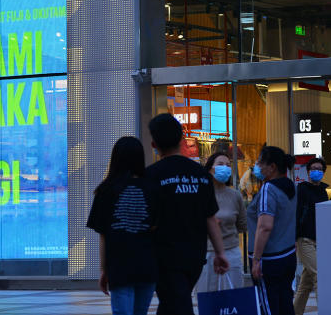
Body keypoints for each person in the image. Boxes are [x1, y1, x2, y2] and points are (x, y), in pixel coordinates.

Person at [144, 114, 228, 315]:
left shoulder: (151, 175)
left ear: (154, 143)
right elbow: (210, 218)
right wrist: (220, 252)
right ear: (182, 139)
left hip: (163, 257)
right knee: (174, 302)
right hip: (194, 257)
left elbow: (146, 220)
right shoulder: (200, 174)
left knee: (177, 303)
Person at [87, 136, 158, 315]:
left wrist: (103, 269)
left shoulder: (105, 191)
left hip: (119, 267)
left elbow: (103, 235)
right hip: (147, 266)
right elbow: (157, 228)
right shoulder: (153, 189)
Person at [247, 146, 297, 315]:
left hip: (269, 259)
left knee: (268, 305)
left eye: (260, 162)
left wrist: (256, 260)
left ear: (272, 167)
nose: (257, 166)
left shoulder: (269, 189)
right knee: (285, 302)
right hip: (288, 255)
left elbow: (265, 226)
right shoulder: (292, 187)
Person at [196, 153, 245, 293]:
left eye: (228, 165)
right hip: (206, 254)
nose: (225, 168)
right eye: (220, 164)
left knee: (233, 298)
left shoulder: (235, 195)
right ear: (210, 168)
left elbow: (242, 225)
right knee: (207, 297)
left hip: (232, 252)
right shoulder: (200, 193)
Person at [293, 157, 327, 315]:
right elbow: (296, 213)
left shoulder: (323, 191)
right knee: (319, 276)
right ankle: (326, 310)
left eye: (319, 169)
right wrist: (294, 238)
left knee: (306, 284)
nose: (316, 171)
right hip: (304, 239)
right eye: (313, 168)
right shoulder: (301, 189)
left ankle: (295, 312)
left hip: (318, 240)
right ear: (307, 172)